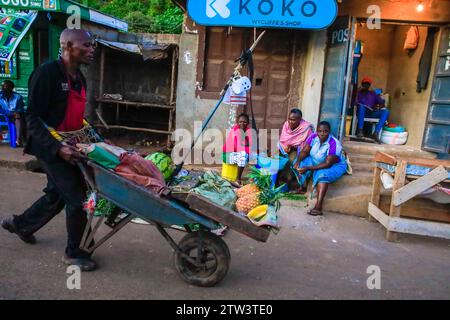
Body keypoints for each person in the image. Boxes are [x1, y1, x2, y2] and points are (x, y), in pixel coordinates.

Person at [1, 29, 97, 271]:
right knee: (76, 198)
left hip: (72, 145)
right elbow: (32, 116)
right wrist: (57, 148)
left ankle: (21, 224)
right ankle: (74, 252)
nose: (91, 49)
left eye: (91, 45)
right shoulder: (46, 74)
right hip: (49, 147)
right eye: (86, 45)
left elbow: (76, 117)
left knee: (57, 196)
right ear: (67, 47)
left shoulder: (80, 78)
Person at [293, 121, 347, 216]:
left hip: (335, 165)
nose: (322, 133)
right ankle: (303, 187)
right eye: (320, 131)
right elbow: (305, 151)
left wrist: (309, 168)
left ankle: (318, 206)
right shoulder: (313, 137)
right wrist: (298, 161)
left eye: (325, 131)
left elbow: (328, 163)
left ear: (329, 132)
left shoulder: (333, 143)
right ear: (317, 131)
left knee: (322, 175)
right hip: (317, 160)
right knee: (299, 163)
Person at [277, 108, 314, 193]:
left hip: (299, 150)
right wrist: (286, 146)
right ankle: (276, 182)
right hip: (286, 148)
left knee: (290, 161)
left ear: (300, 120)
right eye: (289, 119)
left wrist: (293, 147)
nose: (290, 122)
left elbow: (307, 145)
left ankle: (286, 183)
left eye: (293, 120)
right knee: (276, 158)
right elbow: (283, 139)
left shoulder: (306, 128)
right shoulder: (286, 124)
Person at [355, 76, 389, 143]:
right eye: (365, 83)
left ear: (369, 85)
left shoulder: (372, 94)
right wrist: (357, 92)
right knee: (362, 107)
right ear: (362, 84)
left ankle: (376, 133)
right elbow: (354, 103)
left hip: (371, 112)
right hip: (362, 113)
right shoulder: (358, 93)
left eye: (368, 84)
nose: (366, 85)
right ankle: (360, 131)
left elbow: (382, 102)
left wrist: (379, 106)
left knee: (386, 111)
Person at [222, 113, 254, 183]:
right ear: (237, 122)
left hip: (237, 154)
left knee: (255, 155)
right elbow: (239, 147)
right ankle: (238, 179)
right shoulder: (235, 131)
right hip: (227, 155)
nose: (242, 124)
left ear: (248, 123)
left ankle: (254, 178)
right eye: (240, 122)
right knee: (243, 155)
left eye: (245, 122)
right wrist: (248, 147)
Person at [0, 80, 25, 146]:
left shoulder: (18, 97)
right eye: (2, 87)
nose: (2, 88)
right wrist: (7, 112)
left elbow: (20, 108)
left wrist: (15, 112)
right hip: (3, 114)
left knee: (18, 116)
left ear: (11, 88)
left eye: (5, 87)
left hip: (15, 115)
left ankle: (18, 139)